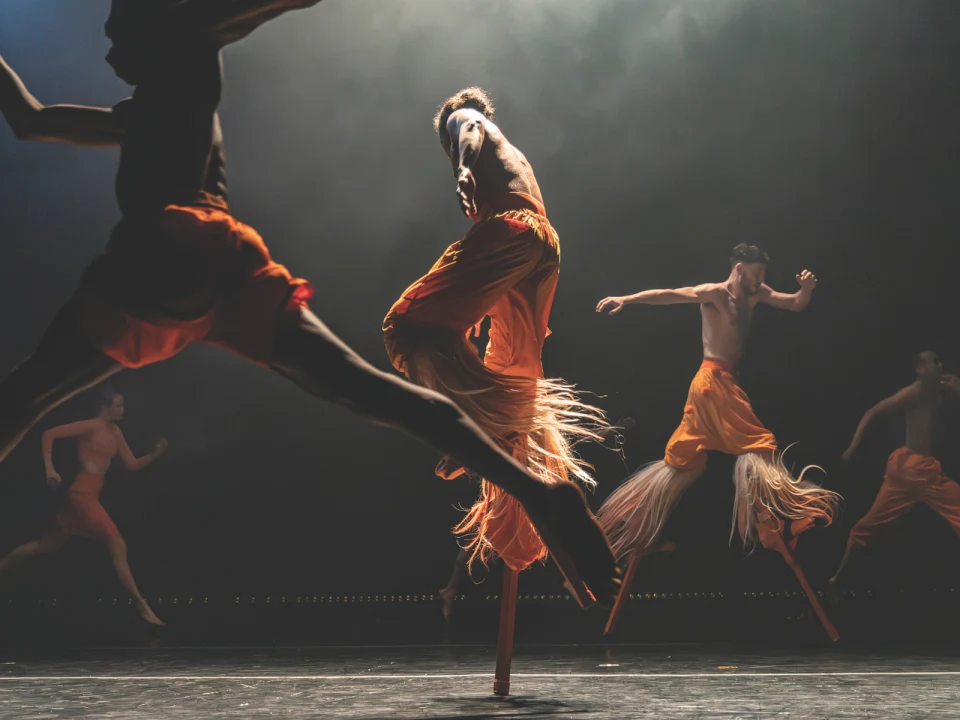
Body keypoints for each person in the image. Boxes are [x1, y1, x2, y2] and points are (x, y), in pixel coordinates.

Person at [0, 8, 619, 606]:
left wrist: (461, 160)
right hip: (232, 271)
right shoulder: (144, 114)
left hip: (167, 249)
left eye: (117, 27)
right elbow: (27, 119)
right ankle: (536, 491)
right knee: (369, 390)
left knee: (25, 396)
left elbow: (467, 126)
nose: (107, 45)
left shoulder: (186, 41)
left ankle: (515, 461)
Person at [383, 88, 609, 596]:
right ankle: (506, 449)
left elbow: (468, 127)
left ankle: (475, 422)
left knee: (406, 325)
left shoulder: (466, 122)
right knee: (513, 371)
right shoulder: (517, 157)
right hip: (542, 248)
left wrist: (462, 166)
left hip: (511, 231)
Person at [595, 243, 840, 636]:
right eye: (756, 275)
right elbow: (670, 296)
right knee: (760, 445)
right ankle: (775, 527)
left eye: (763, 277)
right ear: (739, 269)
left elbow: (794, 304)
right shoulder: (714, 292)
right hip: (711, 383)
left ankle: (646, 528)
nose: (761, 283)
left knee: (689, 462)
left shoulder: (757, 293)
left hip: (720, 386)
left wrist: (806, 290)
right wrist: (627, 299)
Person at [0, 391, 166, 625]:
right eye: (118, 406)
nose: (122, 410)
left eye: (122, 406)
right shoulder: (90, 426)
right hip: (81, 494)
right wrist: (50, 469)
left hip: (90, 494)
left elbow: (132, 464)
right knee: (117, 543)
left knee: (46, 544)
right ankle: (141, 603)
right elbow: (49, 434)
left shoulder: (114, 431)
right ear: (106, 406)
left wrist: (154, 454)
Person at [831, 352, 960, 588]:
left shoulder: (936, 388)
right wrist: (852, 448)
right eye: (936, 362)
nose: (941, 364)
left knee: (868, 524)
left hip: (907, 472)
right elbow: (873, 412)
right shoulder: (915, 391)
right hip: (917, 471)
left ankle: (837, 578)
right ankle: (838, 578)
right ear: (921, 369)